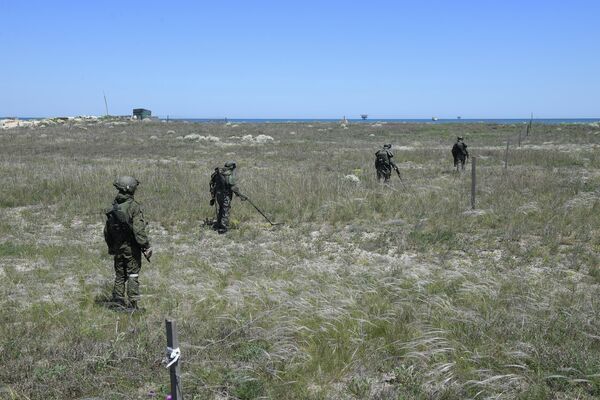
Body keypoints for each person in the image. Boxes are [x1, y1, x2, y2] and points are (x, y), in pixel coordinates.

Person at [104, 176, 152, 311]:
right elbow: (139, 231)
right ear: (131, 189)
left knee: (120, 275)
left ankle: (118, 302)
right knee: (132, 274)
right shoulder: (133, 207)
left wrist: (111, 247)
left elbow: (107, 231)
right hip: (131, 249)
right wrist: (146, 246)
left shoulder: (113, 207)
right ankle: (133, 304)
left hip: (118, 247)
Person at [209, 161, 247, 234]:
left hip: (218, 195)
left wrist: (213, 196)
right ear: (232, 167)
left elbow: (212, 184)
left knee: (221, 209)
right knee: (225, 210)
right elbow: (233, 188)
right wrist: (241, 196)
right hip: (225, 195)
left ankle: (219, 224)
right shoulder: (229, 174)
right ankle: (223, 228)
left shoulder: (218, 173)